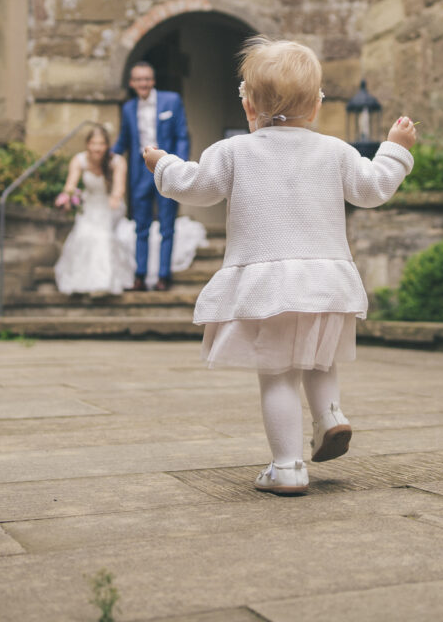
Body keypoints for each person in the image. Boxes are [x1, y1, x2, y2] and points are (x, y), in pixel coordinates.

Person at [143, 37, 417, 495]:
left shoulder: (232, 152)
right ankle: (330, 415)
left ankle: (287, 468)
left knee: (277, 373)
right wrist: (394, 149)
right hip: (327, 280)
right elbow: (372, 189)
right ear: (315, 108)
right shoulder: (335, 151)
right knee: (319, 355)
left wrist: (163, 163)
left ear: (249, 107)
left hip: (267, 282)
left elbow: (196, 187)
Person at [113, 61, 191, 291]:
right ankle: (140, 275)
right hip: (139, 173)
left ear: (153, 80)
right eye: (138, 80)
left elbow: (182, 136)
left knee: (167, 225)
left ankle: (164, 276)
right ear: (132, 83)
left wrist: (180, 166)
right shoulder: (128, 108)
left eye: (147, 79)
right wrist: (104, 157)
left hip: (166, 169)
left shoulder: (172, 101)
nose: (143, 83)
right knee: (141, 226)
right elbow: (124, 140)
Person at [53, 125, 134, 295]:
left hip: (109, 205)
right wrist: (66, 198)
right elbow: (71, 185)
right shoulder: (79, 160)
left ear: (107, 145)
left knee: (102, 236)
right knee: (83, 235)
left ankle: (103, 282)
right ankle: (81, 282)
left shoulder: (117, 161)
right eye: (93, 143)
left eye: (101, 143)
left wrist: (115, 198)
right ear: (87, 144)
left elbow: (119, 187)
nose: (97, 148)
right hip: (89, 205)